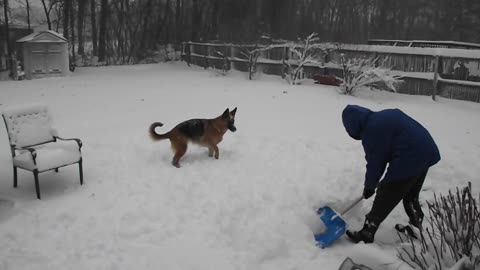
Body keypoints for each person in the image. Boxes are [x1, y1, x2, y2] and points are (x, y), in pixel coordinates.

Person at [341, 105, 441, 244]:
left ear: (353, 126)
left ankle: (367, 232)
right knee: (410, 196)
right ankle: (415, 226)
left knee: (387, 190)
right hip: (426, 150)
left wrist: (370, 187)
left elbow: (375, 163)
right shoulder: (380, 117)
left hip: (410, 155)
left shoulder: (372, 131)